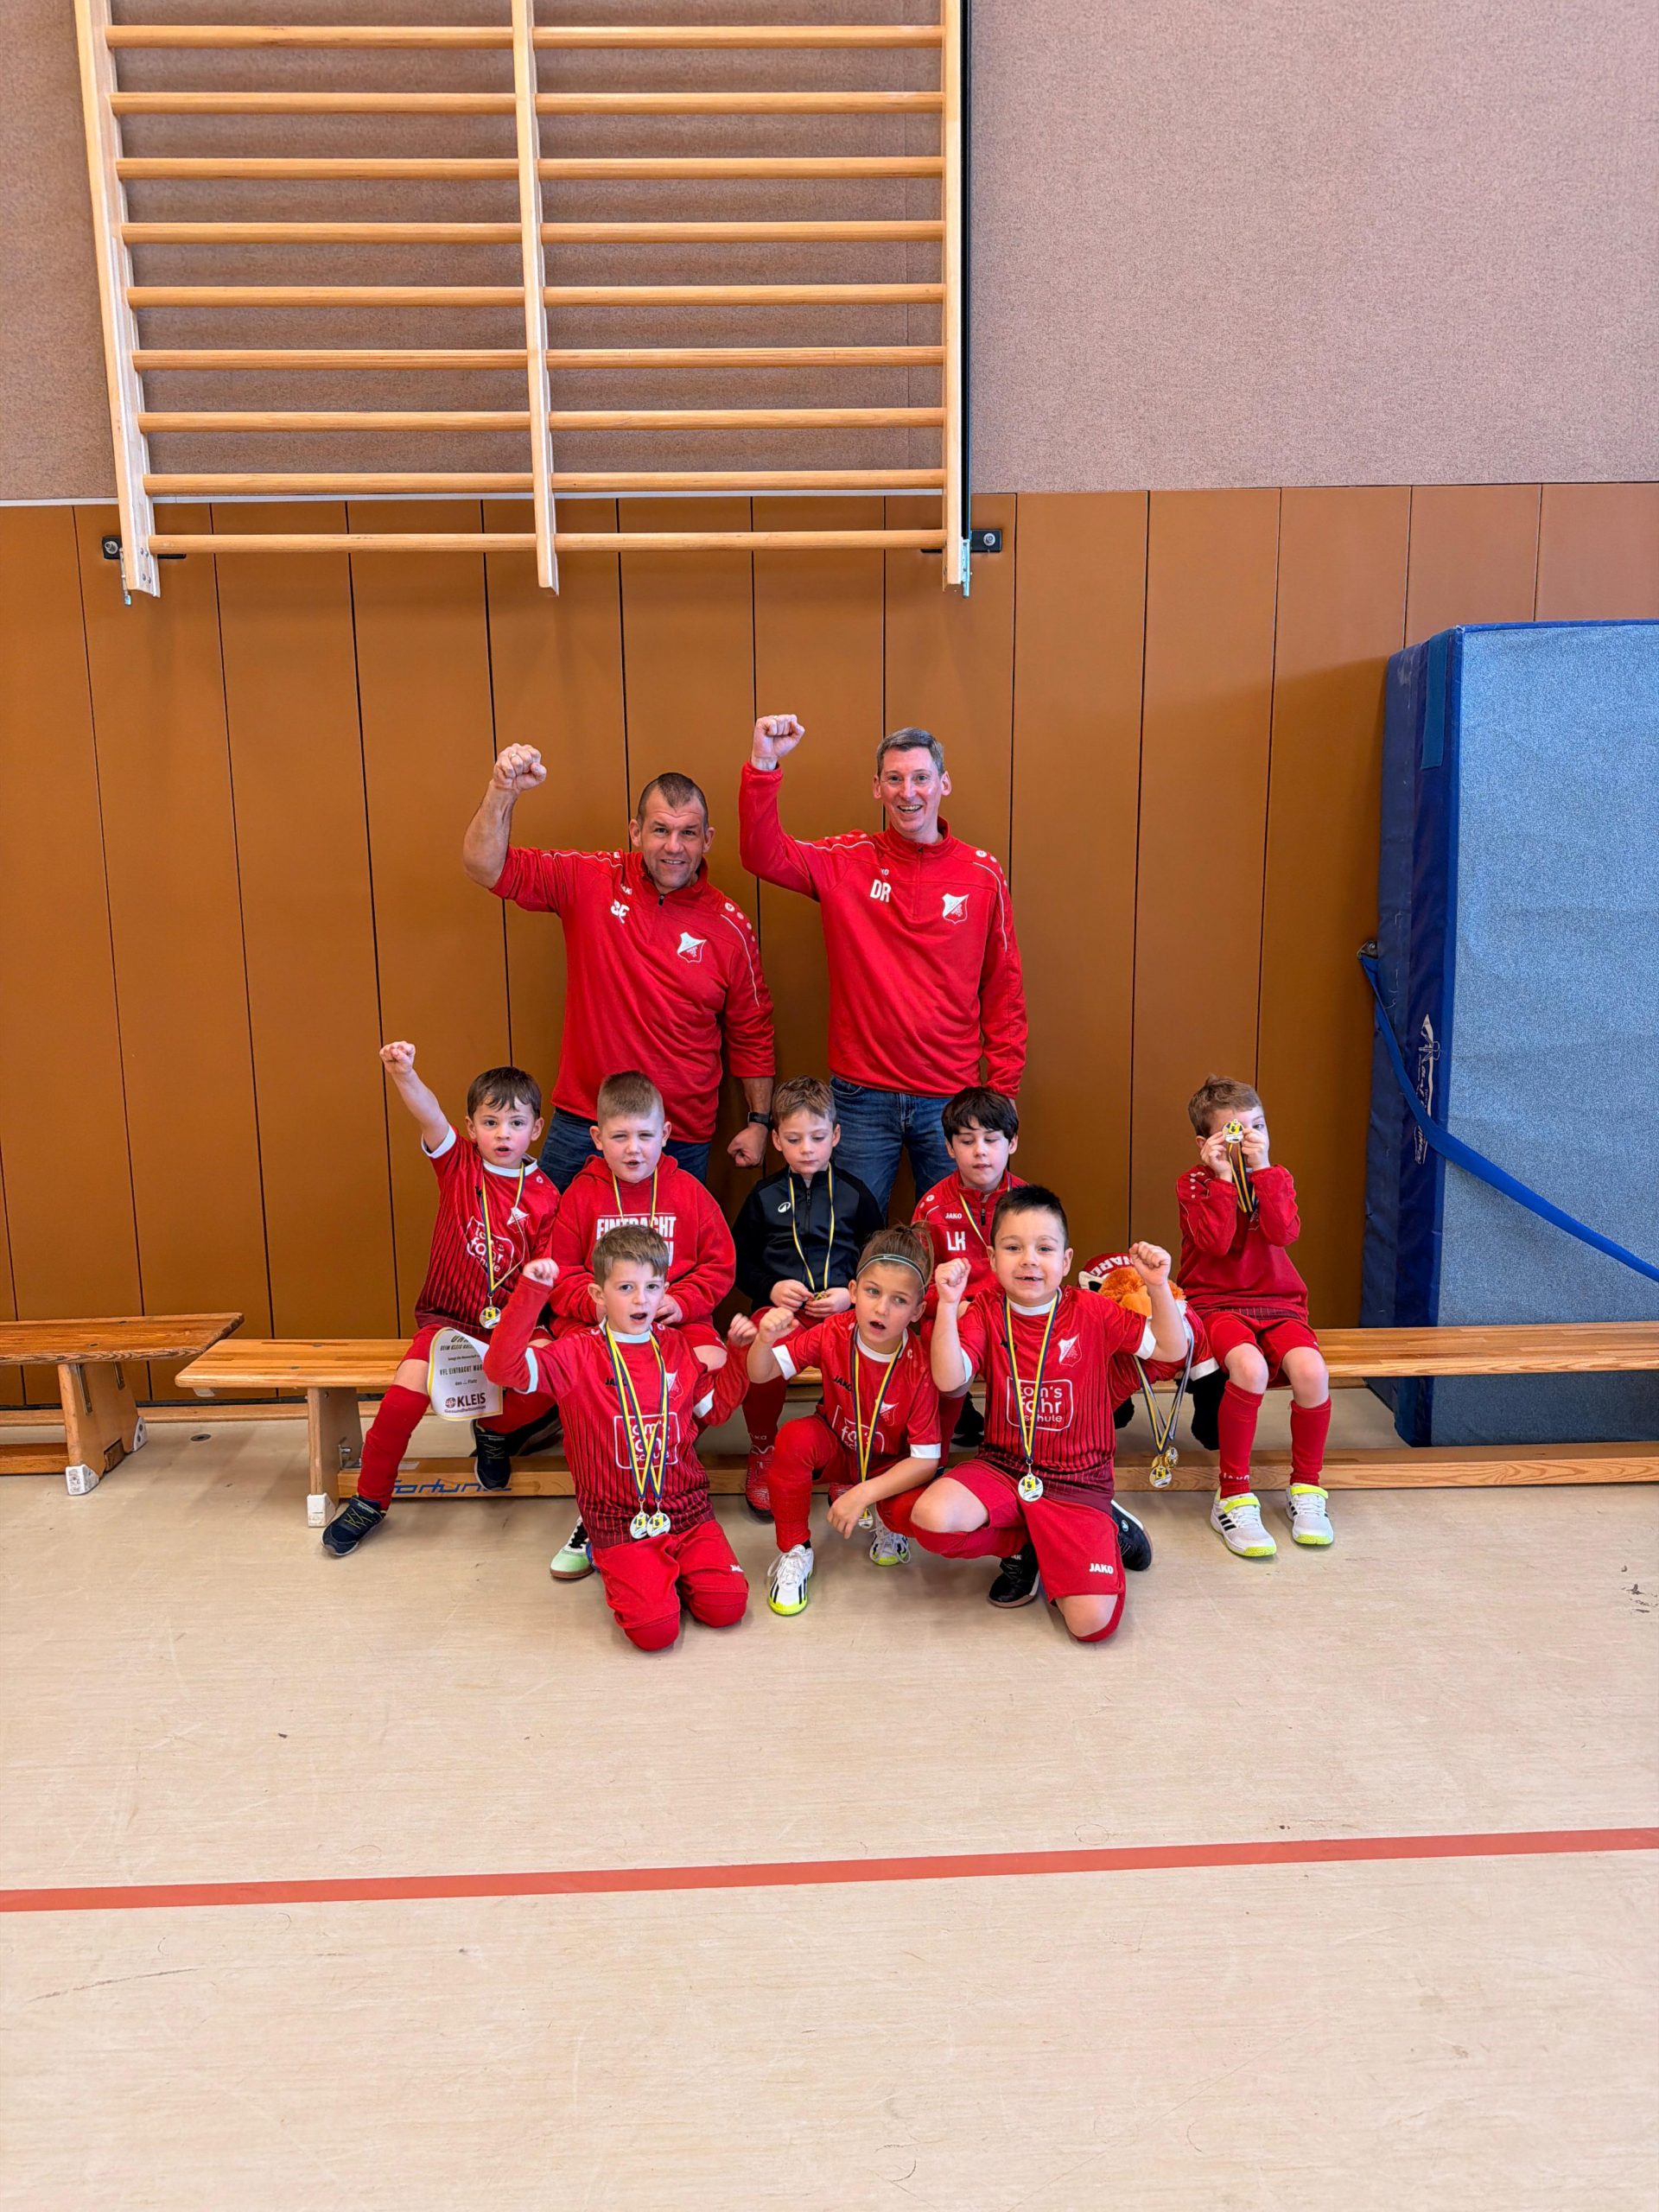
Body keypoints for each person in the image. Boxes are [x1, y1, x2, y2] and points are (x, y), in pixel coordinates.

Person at [739, 714, 1027, 1211]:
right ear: (877, 787)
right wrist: (764, 764)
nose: (907, 792)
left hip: (953, 1098)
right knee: (850, 1237)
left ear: (943, 783)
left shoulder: (982, 874)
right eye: (894, 779)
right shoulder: (847, 858)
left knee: (964, 1236)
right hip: (861, 1096)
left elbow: (1003, 990)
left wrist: (1000, 1092)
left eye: (920, 777)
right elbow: (763, 854)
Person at [462, 747, 776, 1187]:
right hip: (583, 1122)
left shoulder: (732, 927)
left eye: (688, 833)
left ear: (707, 839)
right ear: (635, 831)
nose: (674, 847)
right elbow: (484, 865)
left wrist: (760, 1120)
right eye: (660, 830)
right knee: (553, 1252)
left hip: (677, 1134)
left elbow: (753, 1032)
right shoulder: (588, 880)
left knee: (673, 1258)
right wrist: (502, 791)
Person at [885, 1186, 1185, 1642]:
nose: (1028, 1259)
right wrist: (947, 1306)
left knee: (1090, 1626)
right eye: (1013, 1247)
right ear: (991, 1257)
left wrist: (1159, 1286)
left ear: (1065, 1261)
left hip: (1078, 1480)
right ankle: (1028, 1544)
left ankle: (1108, 1523)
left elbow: (1169, 1347)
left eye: (1044, 1249)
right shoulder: (984, 1310)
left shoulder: (1092, 1310)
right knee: (932, 1519)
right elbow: (950, 1381)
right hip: (1005, 1467)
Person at [321, 1043, 562, 1556]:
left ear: (536, 1129)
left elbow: (545, 1276)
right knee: (400, 1403)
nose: (503, 1134)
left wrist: (541, 1282)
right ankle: (369, 1501)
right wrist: (403, 1072)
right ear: (471, 1129)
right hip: (448, 1321)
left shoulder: (547, 1195)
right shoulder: (457, 1164)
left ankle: (494, 1432)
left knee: (550, 1382)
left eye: (516, 1123)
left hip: (511, 1326)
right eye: (491, 1122)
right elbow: (428, 1111)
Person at [483, 1230, 755, 1652]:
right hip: (617, 1516)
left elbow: (715, 1411)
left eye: (651, 1287)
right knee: (654, 1632)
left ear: (665, 1288)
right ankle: (611, 1555)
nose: (641, 1301)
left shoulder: (677, 1345)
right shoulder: (576, 1353)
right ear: (599, 1293)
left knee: (727, 1607)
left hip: (686, 1508)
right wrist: (532, 1292)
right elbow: (502, 1369)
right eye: (626, 1288)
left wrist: (738, 1356)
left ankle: (666, 1566)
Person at [543, 1070, 736, 1582]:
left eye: (646, 1136)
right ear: (597, 1137)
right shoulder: (581, 1196)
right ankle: (597, 1513)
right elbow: (560, 1273)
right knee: (583, 1389)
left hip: (674, 1323)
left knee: (714, 1364)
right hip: (599, 1328)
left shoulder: (688, 1191)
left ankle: (670, 1498)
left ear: (666, 1135)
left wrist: (683, 1299)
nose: (634, 1150)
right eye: (621, 1136)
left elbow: (718, 1266)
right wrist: (596, 1307)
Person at [745, 1226, 943, 1617]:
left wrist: (864, 1494)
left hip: (890, 1462)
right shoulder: (834, 1331)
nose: (882, 1308)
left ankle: (888, 1521)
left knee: (911, 1511)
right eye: (872, 1292)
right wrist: (763, 1342)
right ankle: (795, 1550)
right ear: (852, 1291)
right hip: (838, 1444)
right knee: (795, 1439)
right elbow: (761, 1375)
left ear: (918, 1311)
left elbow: (925, 1460)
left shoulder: (920, 1364)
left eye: (899, 1300)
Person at [1176, 1077, 1333, 1559]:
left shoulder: (1276, 1177)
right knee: (1249, 1368)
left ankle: (1306, 1489)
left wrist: (1263, 1170)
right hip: (1216, 1304)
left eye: (1258, 1126)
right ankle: (1233, 1494)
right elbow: (1215, 1244)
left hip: (1279, 1303)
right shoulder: (1194, 1184)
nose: (1250, 1139)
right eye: (1235, 1131)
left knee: (1312, 1371)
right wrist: (1224, 1179)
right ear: (1206, 1144)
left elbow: (1284, 1233)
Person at [730, 1074, 885, 1515]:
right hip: (781, 1313)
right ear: (776, 1140)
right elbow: (738, 1261)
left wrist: (853, 1296)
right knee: (757, 1345)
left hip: (842, 1310)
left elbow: (881, 1259)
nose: (807, 1149)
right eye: (794, 1139)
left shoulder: (857, 1194)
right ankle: (762, 1449)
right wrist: (770, 1287)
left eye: (818, 1137)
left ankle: (845, 1456)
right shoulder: (763, 1196)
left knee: (868, 1345)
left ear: (835, 1135)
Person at [912, 1084, 1026, 1446]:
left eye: (992, 1139)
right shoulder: (930, 1207)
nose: (980, 1152)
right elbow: (915, 1287)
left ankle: (1013, 1444)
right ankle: (936, 1449)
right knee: (936, 1339)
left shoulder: (1029, 1205)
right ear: (949, 1147)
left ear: (1012, 1143)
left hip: (1012, 1315)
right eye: (966, 1140)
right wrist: (951, 1306)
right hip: (953, 1315)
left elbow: (1047, 1277)